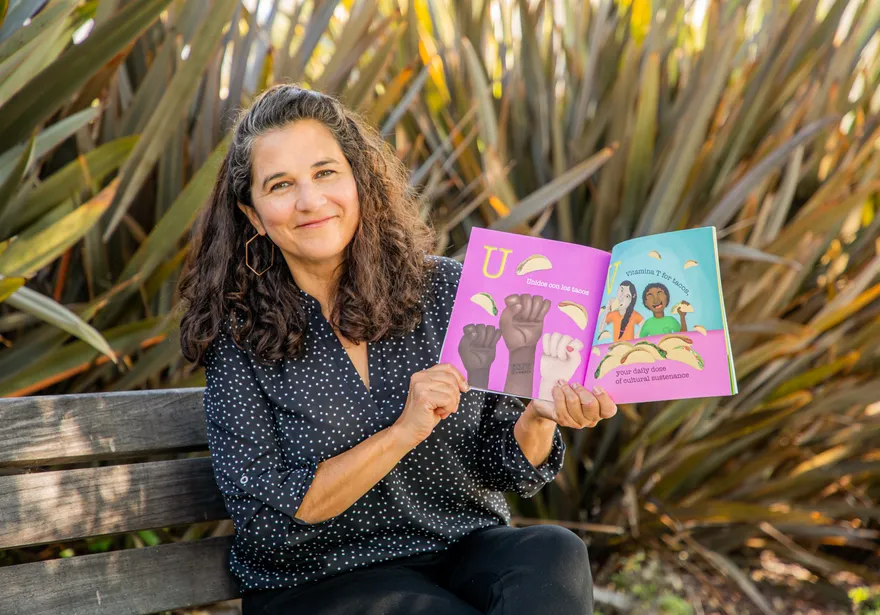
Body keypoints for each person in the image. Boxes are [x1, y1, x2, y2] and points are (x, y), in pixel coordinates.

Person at [177, 84, 618, 615]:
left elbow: (506, 466)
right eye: (280, 185)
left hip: (455, 551)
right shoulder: (242, 337)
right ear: (253, 215)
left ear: (358, 180)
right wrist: (404, 431)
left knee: (554, 551)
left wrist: (540, 419)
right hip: (316, 580)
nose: (310, 201)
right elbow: (267, 525)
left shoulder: (452, 292)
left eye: (325, 173)